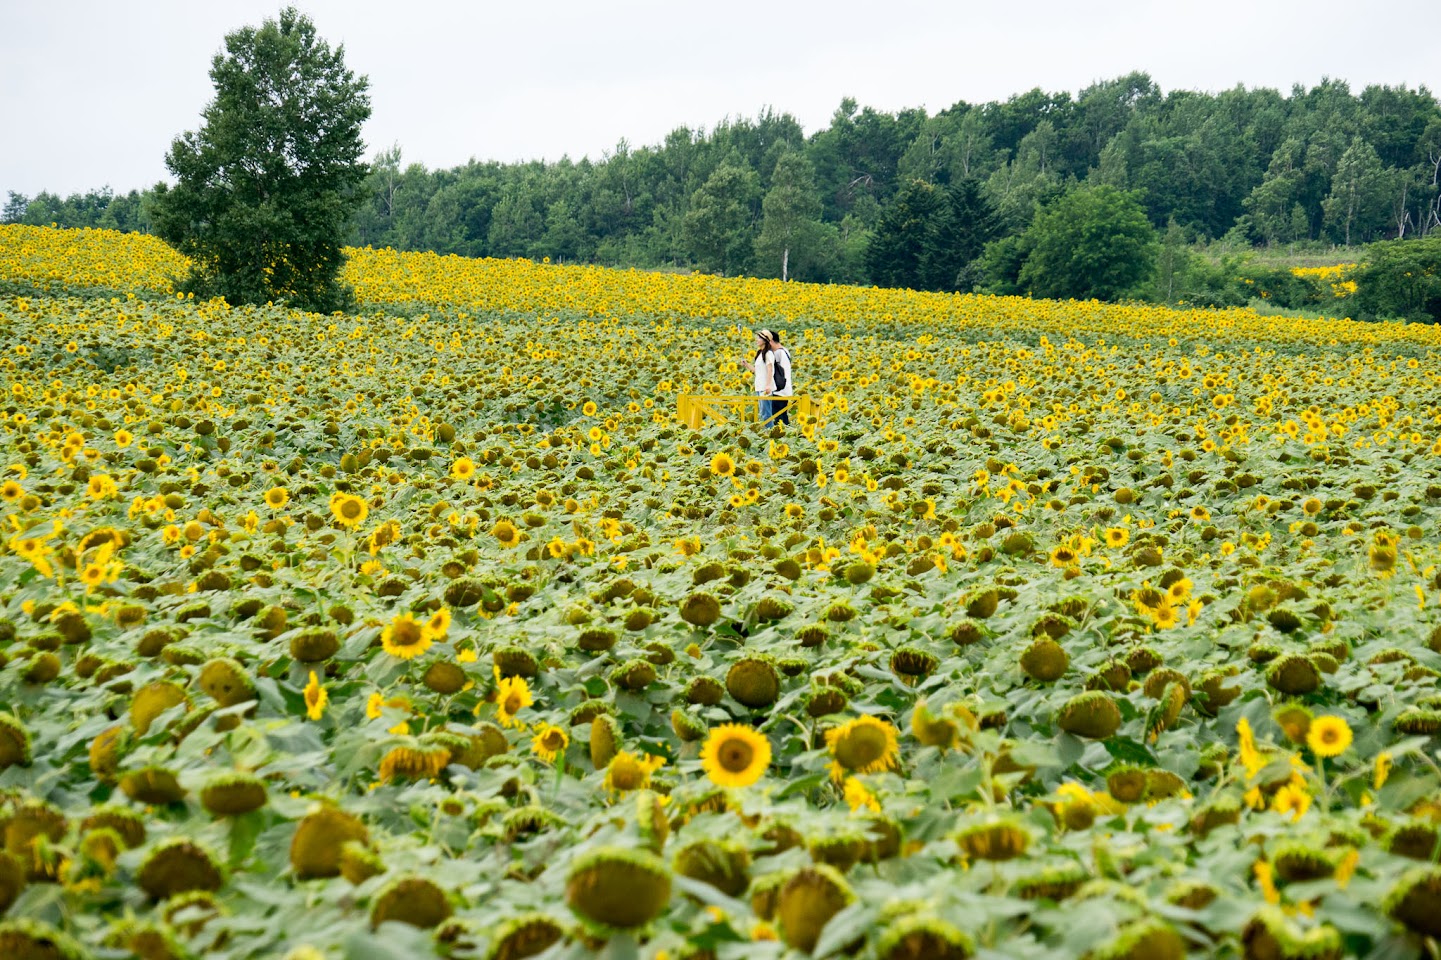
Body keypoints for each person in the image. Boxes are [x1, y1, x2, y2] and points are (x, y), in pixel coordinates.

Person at [742, 329, 778, 424]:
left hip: (765, 388)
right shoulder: (760, 354)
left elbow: (770, 370)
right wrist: (747, 365)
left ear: (765, 340)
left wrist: (768, 385)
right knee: (763, 413)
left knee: (766, 414)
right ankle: (768, 434)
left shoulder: (768, 353)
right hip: (759, 387)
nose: (757, 339)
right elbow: (758, 372)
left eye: (759, 338)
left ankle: (770, 434)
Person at [766, 330, 792, 426]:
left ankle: (783, 438)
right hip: (786, 389)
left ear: (771, 341)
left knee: (778, 419)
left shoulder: (777, 354)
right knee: (783, 416)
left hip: (778, 389)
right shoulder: (785, 351)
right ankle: (789, 436)